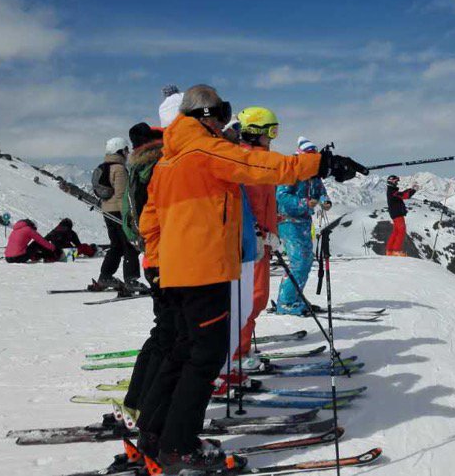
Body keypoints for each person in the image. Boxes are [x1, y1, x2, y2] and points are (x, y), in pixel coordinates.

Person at [135, 84, 366, 473]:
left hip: (176, 271)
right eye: (222, 113)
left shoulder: (168, 161)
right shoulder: (203, 149)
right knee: (204, 357)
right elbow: (262, 167)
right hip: (203, 269)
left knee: (182, 351)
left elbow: (150, 220)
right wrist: (321, 164)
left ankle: (155, 435)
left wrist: (156, 266)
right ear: (205, 115)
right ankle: (178, 446)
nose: (225, 123)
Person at [119, 122, 172, 414]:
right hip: (167, 259)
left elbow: (132, 224)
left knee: (162, 332)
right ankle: (147, 405)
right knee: (168, 335)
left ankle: (138, 401)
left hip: (152, 258)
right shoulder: (158, 170)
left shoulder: (136, 173)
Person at [235, 107, 280, 356]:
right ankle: (236, 353)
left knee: (255, 298)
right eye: (271, 131)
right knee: (252, 298)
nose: (272, 137)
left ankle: (239, 348)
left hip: (261, 241)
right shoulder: (249, 161)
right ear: (254, 132)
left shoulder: (259, 160)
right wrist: (262, 234)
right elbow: (249, 206)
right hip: (252, 243)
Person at [274, 136, 332, 315]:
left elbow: (320, 191)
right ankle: (286, 303)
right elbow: (282, 197)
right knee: (298, 262)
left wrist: (325, 201)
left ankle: (295, 297)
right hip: (288, 221)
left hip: (305, 222)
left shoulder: (313, 175)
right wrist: (304, 203)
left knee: (306, 261)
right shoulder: (292, 172)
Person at [90, 136, 143, 292]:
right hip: (120, 213)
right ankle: (131, 280)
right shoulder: (119, 169)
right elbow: (123, 195)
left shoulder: (105, 167)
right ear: (119, 150)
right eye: (126, 150)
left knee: (116, 246)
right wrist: (129, 217)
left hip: (108, 212)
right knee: (130, 246)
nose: (128, 153)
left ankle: (105, 276)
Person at [385, 174, 417, 256]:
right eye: (396, 181)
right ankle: (396, 251)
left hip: (395, 213)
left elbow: (402, 194)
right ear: (391, 182)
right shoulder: (392, 192)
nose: (397, 183)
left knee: (396, 232)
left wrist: (411, 189)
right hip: (397, 214)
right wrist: (413, 190)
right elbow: (404, 195)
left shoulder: (391, 191)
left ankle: (390, 251)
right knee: (401, 231)